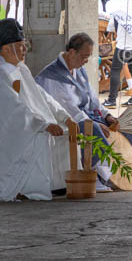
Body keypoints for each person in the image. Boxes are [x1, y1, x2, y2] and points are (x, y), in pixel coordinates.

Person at [36, 33, 121, 192]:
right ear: (72, 52)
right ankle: (99, 177)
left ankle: (125, 175)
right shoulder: (52, 76)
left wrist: (107, 116)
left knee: (122, 127)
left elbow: (92, 99)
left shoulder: (79, 70)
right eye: (84, 56)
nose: (86, 61)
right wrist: (94, 123)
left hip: (85, 115)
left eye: (88, 57)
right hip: (64, 120)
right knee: (93, 129)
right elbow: (68, 109)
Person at [0, 19, 71, 201]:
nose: (24, 50)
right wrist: (42, 124)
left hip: (28, 123)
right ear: (5, 49)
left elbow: (42, 96)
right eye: (20, 46)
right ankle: (26, 189)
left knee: (63, 133)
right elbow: (13, 108)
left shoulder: (21, 69)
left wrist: (64, 116)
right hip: (11, 131)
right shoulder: (2, 73)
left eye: (24, 46)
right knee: (40, 137)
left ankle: (56, 185)